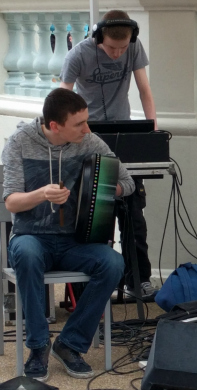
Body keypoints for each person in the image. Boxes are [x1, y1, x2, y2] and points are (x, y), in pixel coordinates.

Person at [1, 88, 134, 381]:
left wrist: (99, 189)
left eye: (87, 121)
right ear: (54, 126)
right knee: (25, 253)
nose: (87, 129)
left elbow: (127, 182)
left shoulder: (90, 142)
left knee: (112, 263)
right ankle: (38, 347)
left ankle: (70, 343)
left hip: (76, 241)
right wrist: (41, 194)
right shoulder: (19, 143)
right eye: (80, 124)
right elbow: (10, 201)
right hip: (31, 238)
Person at [59, 10, 158, 297]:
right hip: (86, 136)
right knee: (94, 215)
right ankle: (97, 280)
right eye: (111, 48)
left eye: (122, 48)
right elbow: (62, 97)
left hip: (123, 135)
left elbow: (144, 90)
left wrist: (152, 131)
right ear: (98, 37)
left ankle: (138, 280)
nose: (117, 54)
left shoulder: (134, 48)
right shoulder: (78, 55)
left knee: (133, 213)